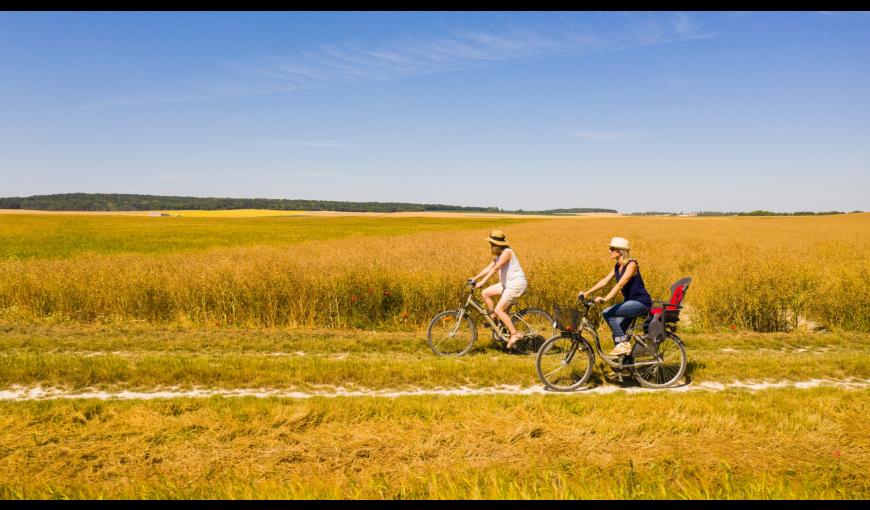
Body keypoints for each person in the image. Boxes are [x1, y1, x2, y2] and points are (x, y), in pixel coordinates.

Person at [578, 237, 652, 356]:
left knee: (607, 313)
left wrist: (605, 299)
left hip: (640, 302)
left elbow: (620, 284)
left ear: (621, 251)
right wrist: (587, 292)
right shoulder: (618, 266)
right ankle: (623, 366)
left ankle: (624, 344)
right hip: (629, 302)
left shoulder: (632, 265)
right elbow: (604, 281)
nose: (609, 251)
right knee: (617, 333)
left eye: (612, 249)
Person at [469, 230, 529, 350]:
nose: (491, 247)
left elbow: (496, 268)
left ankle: (514, 334)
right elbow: (489, 267)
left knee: (499, 309)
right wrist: (474, 278)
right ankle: (494, 321)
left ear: (497, 245)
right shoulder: (499, 255)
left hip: (516, 284)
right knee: (485, 293)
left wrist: (483, 282)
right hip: (506, 284)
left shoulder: (507, 252)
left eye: (492, 244)